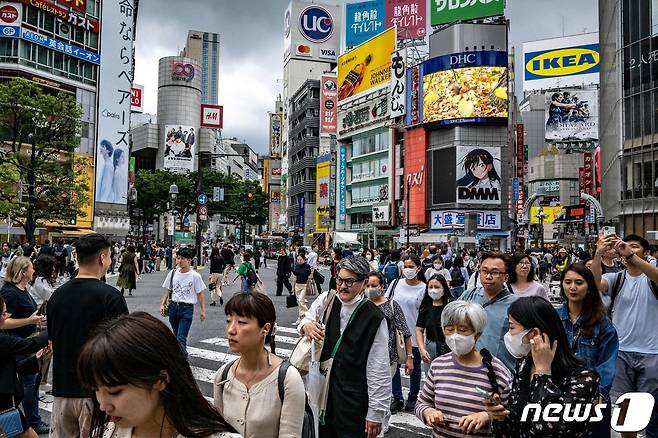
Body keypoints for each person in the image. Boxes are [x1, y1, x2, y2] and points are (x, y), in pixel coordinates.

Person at [77, 312, 239, 438]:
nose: (103, 405)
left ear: (160, 379)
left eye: (114, 392)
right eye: (96, 390)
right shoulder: (104, 434)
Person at [47, 233, 129, 438]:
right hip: (97, 393)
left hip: (62, 390)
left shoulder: (57, 296)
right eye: (110, 257)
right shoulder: (110, 297)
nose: (110, 262)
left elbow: (52, 339)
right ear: (102, 258)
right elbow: (122, 347)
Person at [300, 255, 390, 438]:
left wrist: (376, 412)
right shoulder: (327, 300)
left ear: (364, 283)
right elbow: (305, 321)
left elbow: (378, 368)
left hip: (354, 398)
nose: (342, 286)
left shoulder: (374, 317)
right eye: (339, 279)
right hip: (322, 390)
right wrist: (307, 326)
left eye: (349, 281)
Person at [484, 296, 600, 437]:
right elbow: (519, 423)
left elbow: (548, 428)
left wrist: (543, 374)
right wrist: (501, 417)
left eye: (512, 327)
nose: (508, 335)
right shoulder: (524, 366)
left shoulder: (583, 378)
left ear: (534, 333)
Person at [591, 233, 658, 437]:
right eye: (625, 246)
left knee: (651, 410)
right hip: (621, 353)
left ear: (646, 253)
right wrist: (597, 254)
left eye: (635, 247)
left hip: (652, 353)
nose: (627, 249)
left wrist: (630, 256)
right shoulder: (617, 278)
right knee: (625, 409)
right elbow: (594, 284)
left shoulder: (651, 277)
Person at [214, 292, 305, 437]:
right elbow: (217, 432)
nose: (231, 330)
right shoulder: (223, 376)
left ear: (266, 328)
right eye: (228, 321)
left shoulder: (288, 379)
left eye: (241, 322)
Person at [416, 301, 513, 437]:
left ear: (477, 333)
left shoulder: (497, 371)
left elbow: (510, 415)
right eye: (449, 330)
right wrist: (428, 413)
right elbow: (422, 403)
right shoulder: (438, 365)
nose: (455, 336)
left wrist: (486, 416)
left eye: (462, 330)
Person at [558, 263, 618, 438]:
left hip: (592, 398)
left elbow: (608, 363)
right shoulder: (553, 318)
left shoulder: (603, 324)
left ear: (590, 287)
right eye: (568, 282)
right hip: (560, 395)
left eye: (579, 282)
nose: (573, 287)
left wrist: (599, 393)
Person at [0, 256, 49, 435]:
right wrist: (30, 320)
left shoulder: (22, 289)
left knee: (30, 382)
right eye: (30, 268)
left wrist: (35, 320)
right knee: (28, 382)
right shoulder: (11, 293)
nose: (33, 270)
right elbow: (4, 322)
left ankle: (27, 419)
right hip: (18, 344)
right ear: (23, 272)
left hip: (25, 340)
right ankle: (31, 420)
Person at [365, 271, 413, 435]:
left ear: (382, 287)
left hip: (389, 357)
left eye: (374, 285)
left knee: (383, 389)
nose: (370, 288)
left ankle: (382, 423)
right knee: (368, 389)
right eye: (368, 285)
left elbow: (406, 332)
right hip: (366, 356)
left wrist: (409, 358)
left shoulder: (392, 306)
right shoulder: (363, 304)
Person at [460, 252, 518, 371]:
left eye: (495, 272)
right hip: (468, 368)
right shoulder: (469, 295)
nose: (488, 276)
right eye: (484, 271)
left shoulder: (516, 304)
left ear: (505, 278)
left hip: (500, 370)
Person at [386, 253, 426, 413]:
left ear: (419, 269)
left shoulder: (424, 288)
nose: (408, 270)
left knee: (414, 368)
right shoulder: (396, 284)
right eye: (406, 267)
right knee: (394, 366)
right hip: (395, 333)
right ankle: (397, 397)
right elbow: (386, 303)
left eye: (411, 267)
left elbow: (425, 313)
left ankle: (413, 396)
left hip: (415, 334)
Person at [160, 247, 207, 356]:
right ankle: (180, 356)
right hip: (173, 307)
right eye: (178, 258)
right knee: (176, 336)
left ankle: (182, 359)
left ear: (189, 260)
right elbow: (167, 289)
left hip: (187, 308)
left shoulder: (195, 276)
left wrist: (203, 310)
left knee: (181, 337)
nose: (179, 261)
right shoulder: (172, 273)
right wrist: (162, 304)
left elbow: (200, 293)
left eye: (182, 259)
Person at [416, 274, 454, 367]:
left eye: (437, 287)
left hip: (448, 346)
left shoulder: (451, 306)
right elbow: (419, 329)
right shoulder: (425, 306)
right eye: (430, 287)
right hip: (430, 347)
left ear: (444, 288)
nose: (433, 290)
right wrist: (422, 349)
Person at [291, 253, 312, 325]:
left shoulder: (307, 266)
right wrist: (292, 287)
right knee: (299, 302)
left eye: (300, 260)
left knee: (301, 301)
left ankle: (307, 316)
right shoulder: (296, 266)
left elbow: (309, 277)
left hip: (304, 285)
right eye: (298, 260)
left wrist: (309, 286)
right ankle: (301, 317)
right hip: (297, 285)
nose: (299, 261)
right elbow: (294, 277)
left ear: (304, 259)